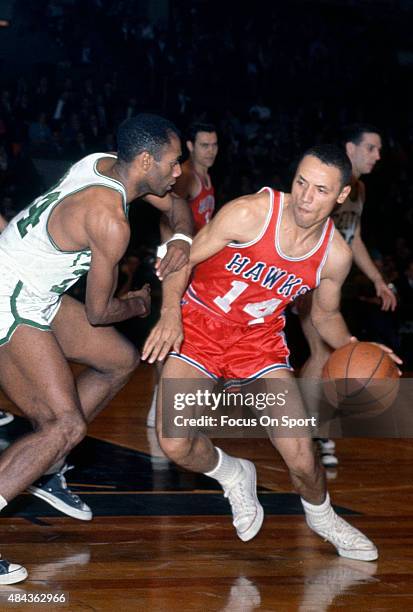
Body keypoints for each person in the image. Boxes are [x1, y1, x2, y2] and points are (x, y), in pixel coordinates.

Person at [143, 144, 401, 561]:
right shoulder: (250, 213)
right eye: (301, 182)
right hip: (200, 328)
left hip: (258, 345)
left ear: (341, 197)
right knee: (174, 444)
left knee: (301, 455)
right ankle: (233, 472)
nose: (305, 196)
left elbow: (325, 315)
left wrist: (356, 347)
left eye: (320, 190)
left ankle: (323, 517)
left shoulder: (334, 255)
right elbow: (182, 258)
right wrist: (171, 313)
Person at [0, 113, 192, 583]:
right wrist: (141, 303)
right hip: (11, 296)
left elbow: (178, 207)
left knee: (119, 361)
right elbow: (98, 312)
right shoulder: (110, 221)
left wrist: (183, 239)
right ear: (145, 160)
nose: (178, 171)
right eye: (172, 162)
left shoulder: (105, 164)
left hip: (34, 286)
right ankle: (50, 449)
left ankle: (47, 466)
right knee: (64, 424)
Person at [297, 125, 397, 467]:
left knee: (323, 352)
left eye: (379, 149)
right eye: (371, 148)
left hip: (333, 279)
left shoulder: (360, 190)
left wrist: (377, 279)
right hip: (309, 275)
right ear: (350, 149)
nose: (377, 155)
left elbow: (353, 239)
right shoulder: (327, 184)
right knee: (322, 351)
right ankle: (312, 432)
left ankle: (312, 429)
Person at [146, 122, 218, 427]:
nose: (211, 151)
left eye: (214, 145)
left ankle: (162, 403)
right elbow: (170, 212)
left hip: (195, 262)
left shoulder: (205, 175)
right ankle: (159, 405)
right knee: (174, 329)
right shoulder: (186, 175)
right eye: (204, 145)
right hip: (179, 262)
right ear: (190, 146)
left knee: (184, 332)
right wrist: (170, 249)